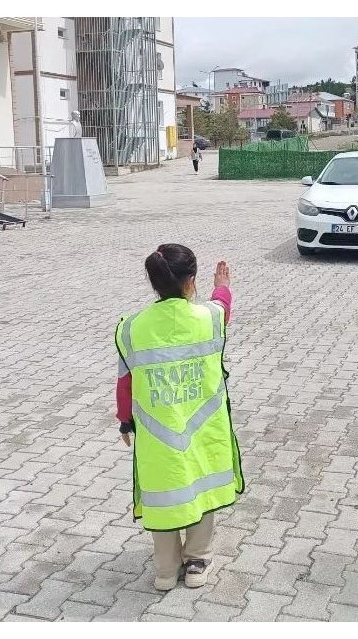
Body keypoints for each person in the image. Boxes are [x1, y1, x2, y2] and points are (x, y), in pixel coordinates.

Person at [114, 244, 243, 591]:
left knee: (165, 495)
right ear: (191, 282)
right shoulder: (208, 317)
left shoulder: (131, 328)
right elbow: (223, 307)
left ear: (153, 283)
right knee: (202, 489)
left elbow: (125, 382)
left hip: (157, 435)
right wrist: (223, 285)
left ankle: (166, 572)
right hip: (203, 427)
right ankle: (198, 561)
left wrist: (126, 421)